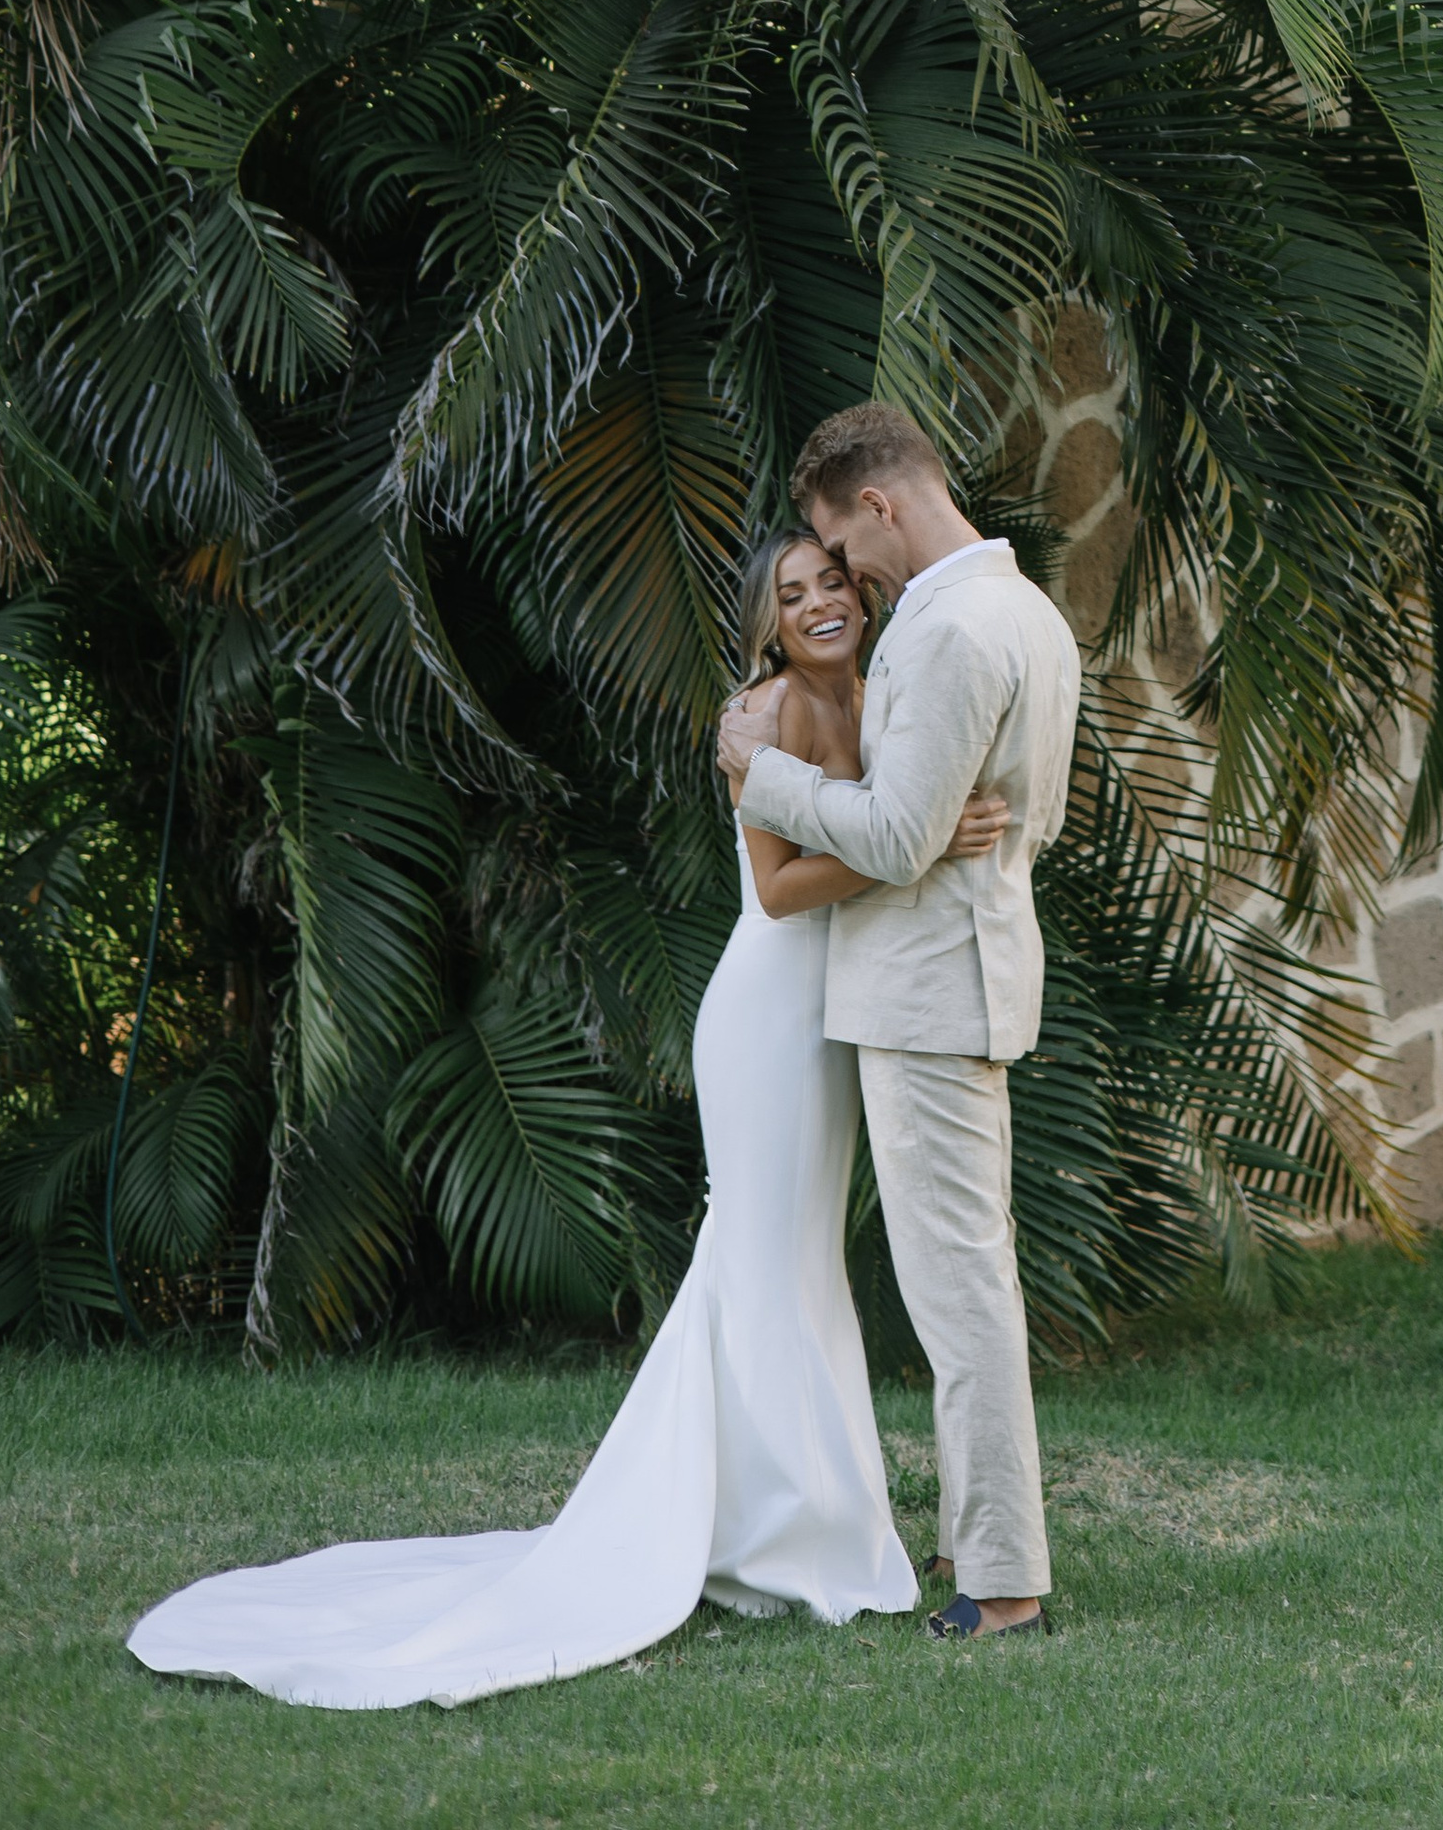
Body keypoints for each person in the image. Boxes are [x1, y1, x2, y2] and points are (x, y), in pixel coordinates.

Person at [126, 530, 1005, 1708]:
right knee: (765, 1261)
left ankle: (782, 1521)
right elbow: (781, 886)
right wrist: (922, 848)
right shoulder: (769, 712)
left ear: (861, 589)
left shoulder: (873, 695)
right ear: (767, 623)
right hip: (770, 1012)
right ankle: (795, 1542)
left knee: (793, 1262)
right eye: (791, 595)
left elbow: (889, 817)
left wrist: (929, 829)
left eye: (832, 582)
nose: (818, 605)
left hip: (830, 1012)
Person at [716, 399, 1080, 1645]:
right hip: (968, 974)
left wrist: (761, 775)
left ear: (877, 504)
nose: (847, 574)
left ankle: (1004, 1581)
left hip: (927, 995)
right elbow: (1020, 819)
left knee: (959, 1295)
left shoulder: (946, 627)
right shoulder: (1028, 612)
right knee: (964, 1278)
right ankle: (977, 1545)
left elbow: (894, 836)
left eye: (841, 544)